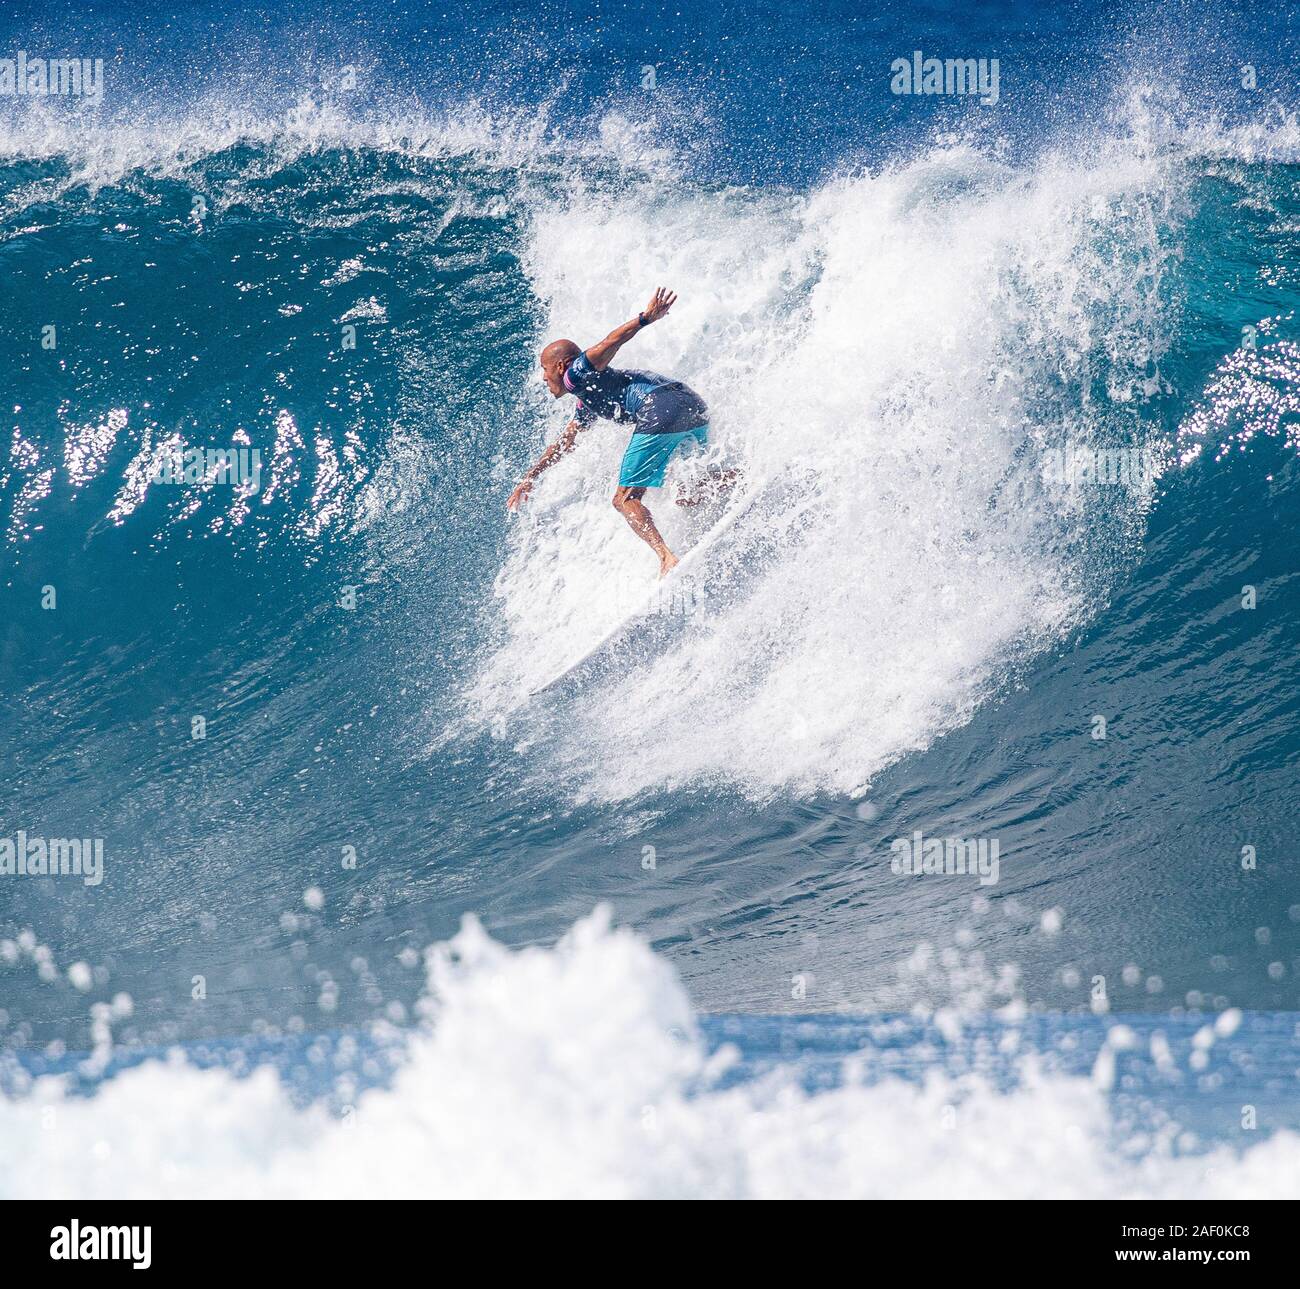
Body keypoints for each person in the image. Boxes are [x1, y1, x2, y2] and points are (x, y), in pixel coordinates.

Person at [507, 288, 730, 576]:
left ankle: (666, 558)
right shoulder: (587, 399)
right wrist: (530, 477)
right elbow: (566, 443)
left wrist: (644, 319)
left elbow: (609, 342)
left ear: (560, 366)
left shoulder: (575, 375)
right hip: (690, 405)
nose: (543, 376)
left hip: (659, 407)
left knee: (624, 499)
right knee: (688, 493)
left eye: (544, 368)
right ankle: (743, 477)